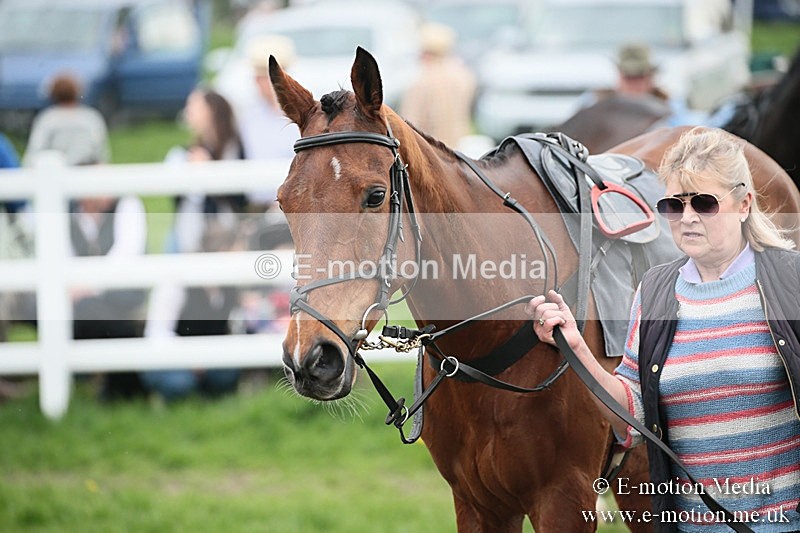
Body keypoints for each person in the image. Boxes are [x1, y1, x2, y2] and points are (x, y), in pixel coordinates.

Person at [527, 127, 800, 530]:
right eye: (674, 204)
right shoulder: (654, 292)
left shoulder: (789, 280)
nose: (687, 217)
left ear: (743, 204)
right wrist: (576, 345)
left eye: (704, 204)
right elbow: (631, 417)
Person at [140, 88, 246, 402]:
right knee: (175, 288)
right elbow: (185, 199)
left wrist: (210, 166)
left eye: (193, 105)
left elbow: (238, 200)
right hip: (188, 239)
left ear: (210, 110)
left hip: (223, 241)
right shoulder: (186, 152)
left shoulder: (232, 147)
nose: (187, 111)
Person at [70, 188, 148, 400]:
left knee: (91, 310)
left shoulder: (127, 204)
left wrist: (88, 286)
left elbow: (126, 256)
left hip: (121, 295)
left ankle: (106, 384)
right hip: (79, 302)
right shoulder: (65, 211)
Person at [399, 22, 477, 148]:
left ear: (426, 53)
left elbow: (409, 124)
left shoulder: (421, 82)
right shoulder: (465, 76)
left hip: (430, 150)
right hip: (458, 149)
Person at [22, 73, 111, 167]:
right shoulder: (91, 117)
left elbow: (34, 152)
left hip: (56, 173)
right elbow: (101, 153)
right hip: (87, 173)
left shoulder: (47, 119)